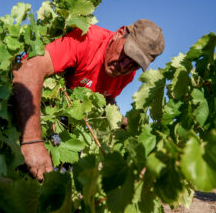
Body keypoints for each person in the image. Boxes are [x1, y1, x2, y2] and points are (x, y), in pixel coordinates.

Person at [12, 19, 165, 180]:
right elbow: (28, 69)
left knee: (62, 183)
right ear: (119, 33)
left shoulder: (127, 75)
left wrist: (118, 120)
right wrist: (32, 141)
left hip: (73, 126)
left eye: (134, 64)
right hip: (39, 112)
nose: (124, 66)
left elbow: (105, 97)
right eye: (127, 54)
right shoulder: (87, 40)